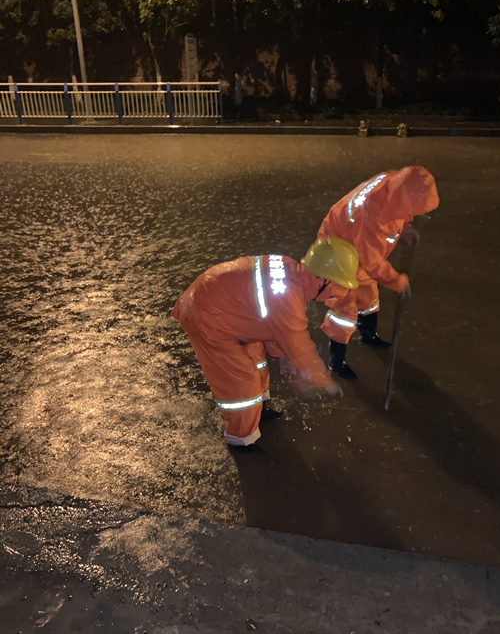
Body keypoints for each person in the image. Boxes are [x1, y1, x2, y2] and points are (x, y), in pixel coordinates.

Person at [171, 237, 359, 449]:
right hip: (206, 315)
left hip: (227, 308)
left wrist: (283, 357)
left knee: (258, 361)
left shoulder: (294, 274)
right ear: (324, 279)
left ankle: (258, 409)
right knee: (241, 380)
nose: (336, 294)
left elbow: (274, 322)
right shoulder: (290, 294)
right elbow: (297, 341)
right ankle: (241, 438)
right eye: (338, 286)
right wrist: (323, 380)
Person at [318, 166, 440, 378]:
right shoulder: (373, 215)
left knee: (368, 294)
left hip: (354, 245)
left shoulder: (393, 181)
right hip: (335, 252)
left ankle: (368, 334)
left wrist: (405, 227)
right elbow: (372, 261)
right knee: (344, 310)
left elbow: (399, 209)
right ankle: (336, 362)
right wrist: (397, 281)